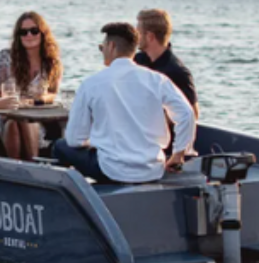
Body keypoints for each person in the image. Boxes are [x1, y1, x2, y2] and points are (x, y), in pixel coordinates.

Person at [53, 23, 196, 183]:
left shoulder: (91, 84)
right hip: (152, 169)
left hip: (111, 169)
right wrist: (178, 154)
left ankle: (78, 195)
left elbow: (74, 140)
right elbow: (187, 114)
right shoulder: (157, 80)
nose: (102, 52)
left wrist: (94, 142)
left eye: (103, 47)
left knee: (60, 146)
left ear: (111, 46)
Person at [0, 11, 63, 160]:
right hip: (4, 114)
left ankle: (23, 170)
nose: (29, 35)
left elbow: (53, 94)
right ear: (18, 36)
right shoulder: (5, 57)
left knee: (22, 121)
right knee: (13, 122)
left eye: (34, 31)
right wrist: (7, 105)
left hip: (34, 116)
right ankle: (26, 169)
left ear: (42, 33)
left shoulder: (52, 63)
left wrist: (38, 99)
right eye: (23, 32)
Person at [132, 8, 197, 114]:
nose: (135, 38)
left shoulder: (178, 72)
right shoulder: (136, 61)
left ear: (150, 36)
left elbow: (192, 114)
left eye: (138, 33)